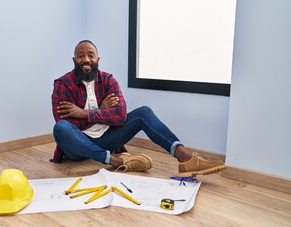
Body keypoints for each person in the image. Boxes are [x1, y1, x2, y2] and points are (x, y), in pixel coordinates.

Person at [51, 40, 226, 176]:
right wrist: (102, 111)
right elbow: (66, 123)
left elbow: (120, 116)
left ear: (98, 59)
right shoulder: (63, 84)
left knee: (143, 112)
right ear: (74, 60)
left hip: (107, 139)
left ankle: (184, 157)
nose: (86, 59)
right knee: (61, 128)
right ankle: (116, 162)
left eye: (91, 55)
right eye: (81, 56)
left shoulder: (109, 80)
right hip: (76, 148)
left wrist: (85, 113)